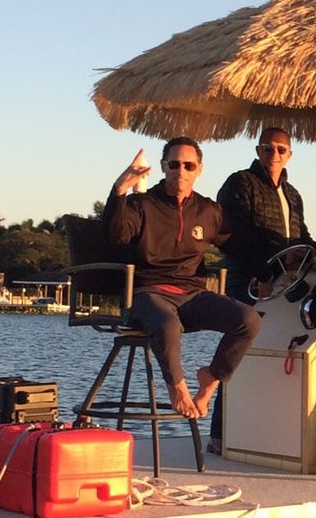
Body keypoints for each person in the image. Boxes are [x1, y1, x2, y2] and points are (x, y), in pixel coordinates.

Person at [104, 138, 262, 420]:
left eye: (188, 165)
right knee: (166, 322)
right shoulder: (142, 204)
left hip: (192, 295)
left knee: (249, 319)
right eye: (174, 164)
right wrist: (120, 190)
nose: (181, 170)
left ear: (198, 170)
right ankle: (177, 388)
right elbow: (116, 236)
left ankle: (210, 379)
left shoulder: (208, 211)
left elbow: (241, 246)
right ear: (164, 167)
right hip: (147, 294)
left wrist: (276, 263)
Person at [214, 127, 311, 302]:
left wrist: (310, 252)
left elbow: (301, 234)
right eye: (268, 148)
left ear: (289, 155)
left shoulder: (293, 194)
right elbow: (234, 236)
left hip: (285, 282)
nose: (274, 154)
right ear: (258, 151)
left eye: (281, 150)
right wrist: (263, 273)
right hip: (248, 283)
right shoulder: (240, 182)